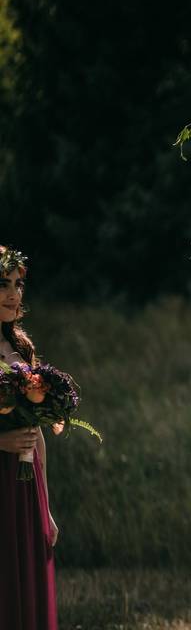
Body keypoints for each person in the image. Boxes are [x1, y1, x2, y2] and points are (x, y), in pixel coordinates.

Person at [0, 245, 58, 630]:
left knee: (28, 581)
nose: (13, 294)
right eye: (3, 284)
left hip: (25, 481)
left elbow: (37, 432)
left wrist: (47, 505)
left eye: (18, 285)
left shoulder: (21, 348)